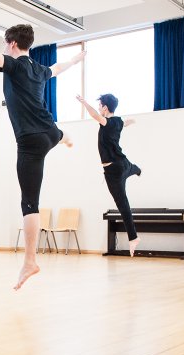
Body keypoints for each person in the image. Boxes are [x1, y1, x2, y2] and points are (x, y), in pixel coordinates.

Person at [0, 8, 83, 289]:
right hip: (49, 130)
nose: (3, 48)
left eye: (5, 43)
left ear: (12, 44)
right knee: (57, 135)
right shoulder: (39, 69)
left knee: (29, 203)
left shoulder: (14, 65)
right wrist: (76, 57)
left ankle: (29, 261)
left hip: (31, 141)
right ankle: (65, 137)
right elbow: (59, 68)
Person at [76, 94, 141, 257]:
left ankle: (133, 237)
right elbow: (123, 123)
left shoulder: (107, 122)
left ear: (105, 107)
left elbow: (94, 115)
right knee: (131, 168)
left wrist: (84, 103)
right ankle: (137, 169)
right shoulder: (117, 121)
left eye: (100, 106)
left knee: (122, 204)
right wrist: (131, 122)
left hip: (113, 171)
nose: (99, 109)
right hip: (123, 164)